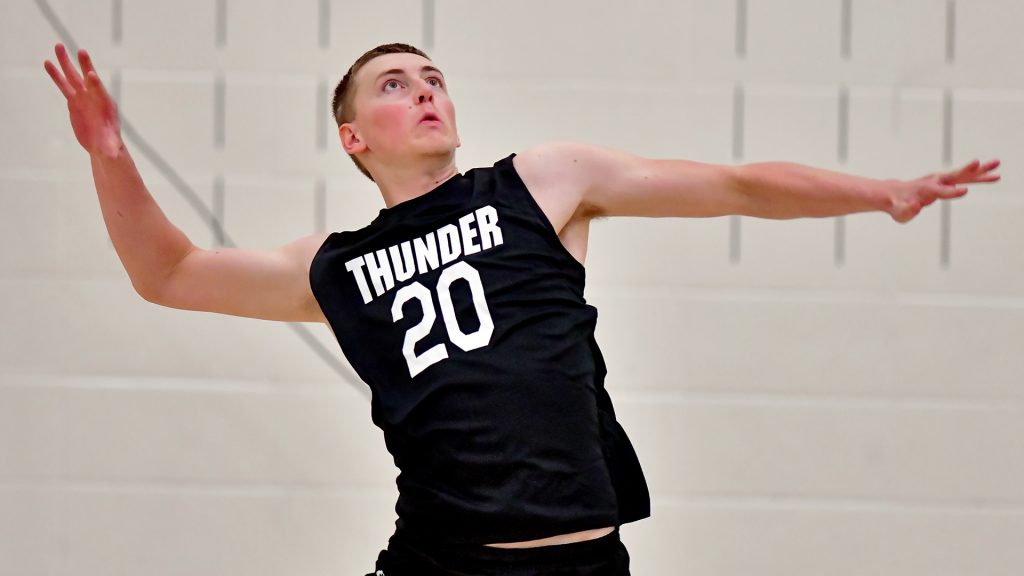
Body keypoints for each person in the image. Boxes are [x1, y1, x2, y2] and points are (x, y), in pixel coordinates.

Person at [44, 41, 1000, 576]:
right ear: (352, 137)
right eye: (393, 85)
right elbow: (167, 274)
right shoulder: (333, 266)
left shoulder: (540, 184)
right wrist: (108, 156)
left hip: (577, 565)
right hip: (440, 565)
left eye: (433, 79)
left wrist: (881, 191)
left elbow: (738, 183)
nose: (423, 93)